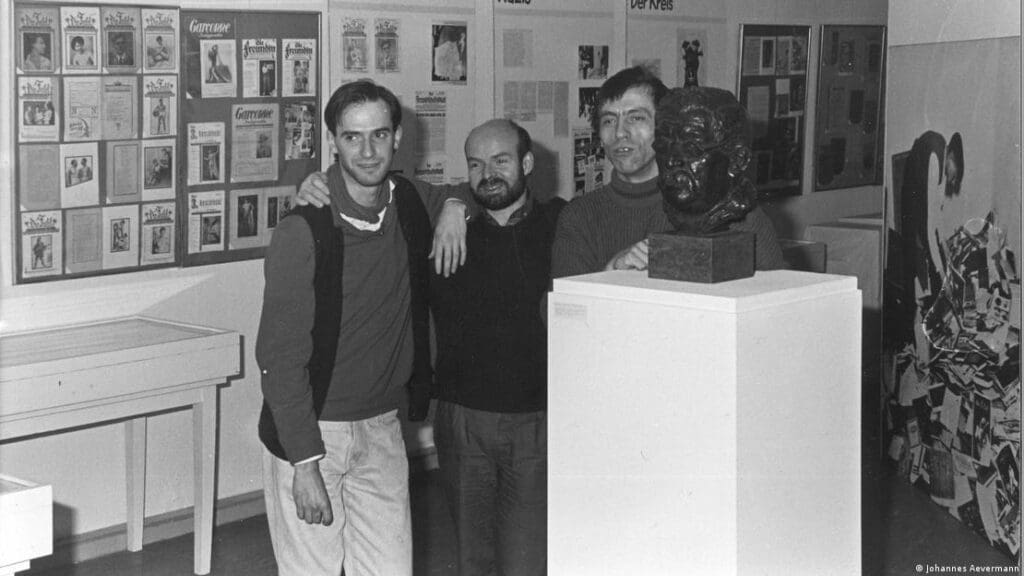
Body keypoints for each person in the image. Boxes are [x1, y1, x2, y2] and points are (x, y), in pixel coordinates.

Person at [255, 79, 469, 576]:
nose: (368, 151)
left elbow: (474, 186)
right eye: (352, 137)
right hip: (313, 431)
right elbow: (279, 360)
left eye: (379, 135)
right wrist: (303, 462)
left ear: (398, 138)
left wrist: (456, 208)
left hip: (382, 429)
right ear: (333, 141)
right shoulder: (303, 229)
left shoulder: (408, 200)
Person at [430, 119, 561, 576]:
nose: (488, 174)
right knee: (472, 558)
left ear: (527, 163)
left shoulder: (561, 224)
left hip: (535, 419)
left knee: (526, 559)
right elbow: (384, 187)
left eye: (500, 161)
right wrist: (452, 203)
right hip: (462, 420)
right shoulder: (446, 230)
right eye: (475, 164)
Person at [552, 66, 785, 278]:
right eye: (609, 121)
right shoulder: (580, 216)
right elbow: (558, 306)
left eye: (636, 118)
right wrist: (611, 270)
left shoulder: (734, 216)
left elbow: (776, 299)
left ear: (667, 127)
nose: (620, 132)